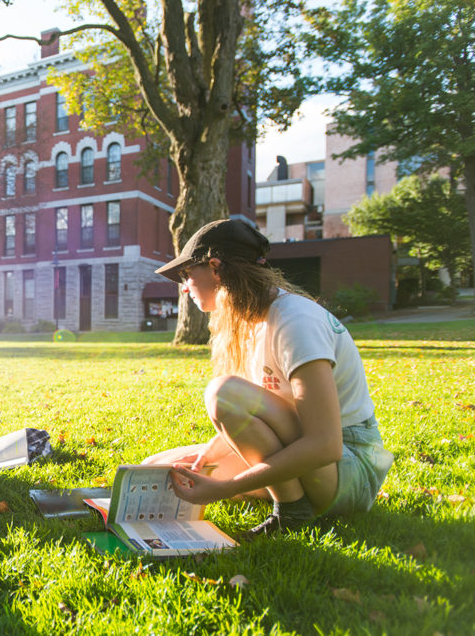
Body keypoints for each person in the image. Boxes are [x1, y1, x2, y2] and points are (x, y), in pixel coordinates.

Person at [143, 219, 393, 535]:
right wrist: (209, 453)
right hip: (311, 454)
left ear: (215, 268)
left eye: (186, 273)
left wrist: (225, 487)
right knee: (161, 469)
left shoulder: (295, 322)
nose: (184, 285)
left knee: (223, 393)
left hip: (348, 468)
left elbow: (327, 444)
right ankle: (290, 497)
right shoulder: (251, 320)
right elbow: (266, 416)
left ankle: (291, 510)